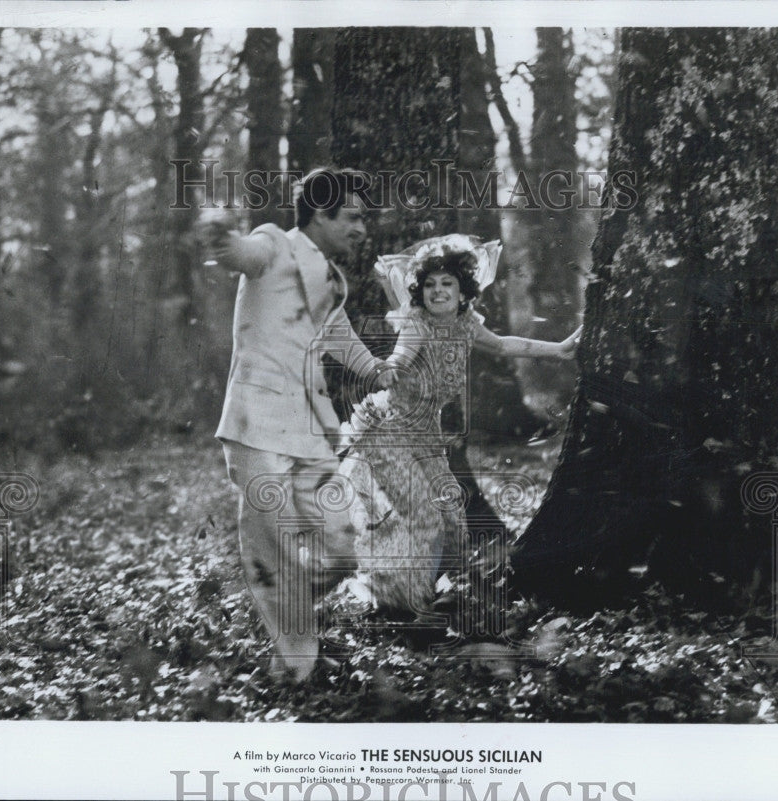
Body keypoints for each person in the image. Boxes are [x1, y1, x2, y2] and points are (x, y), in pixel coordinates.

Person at [212, 167, 393, 682]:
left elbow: (339, 337)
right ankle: (296, 664)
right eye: (353, 217)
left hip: (311, 429)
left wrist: (382, 372)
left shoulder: (333, 279)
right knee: (272, 545)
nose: (362, 228)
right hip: (254, 425)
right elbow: (239, 255)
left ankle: (286, 628)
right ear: (320, 213)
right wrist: (219, 235)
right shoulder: (273, 244)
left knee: (340, 546)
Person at [337, 235, 582, 615]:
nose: (438, 292)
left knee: (451, 517)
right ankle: (403, 604)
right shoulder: (416, 324)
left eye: (446, 284)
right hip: (391, 434)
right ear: (420, 291)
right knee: (424, 515)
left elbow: (503, 345)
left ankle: (424, 590)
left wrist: (559, 348)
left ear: (462, 289)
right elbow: (401, 354)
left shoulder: (466, 324)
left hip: (428, 438)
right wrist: (389, 368)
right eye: (430, 285)